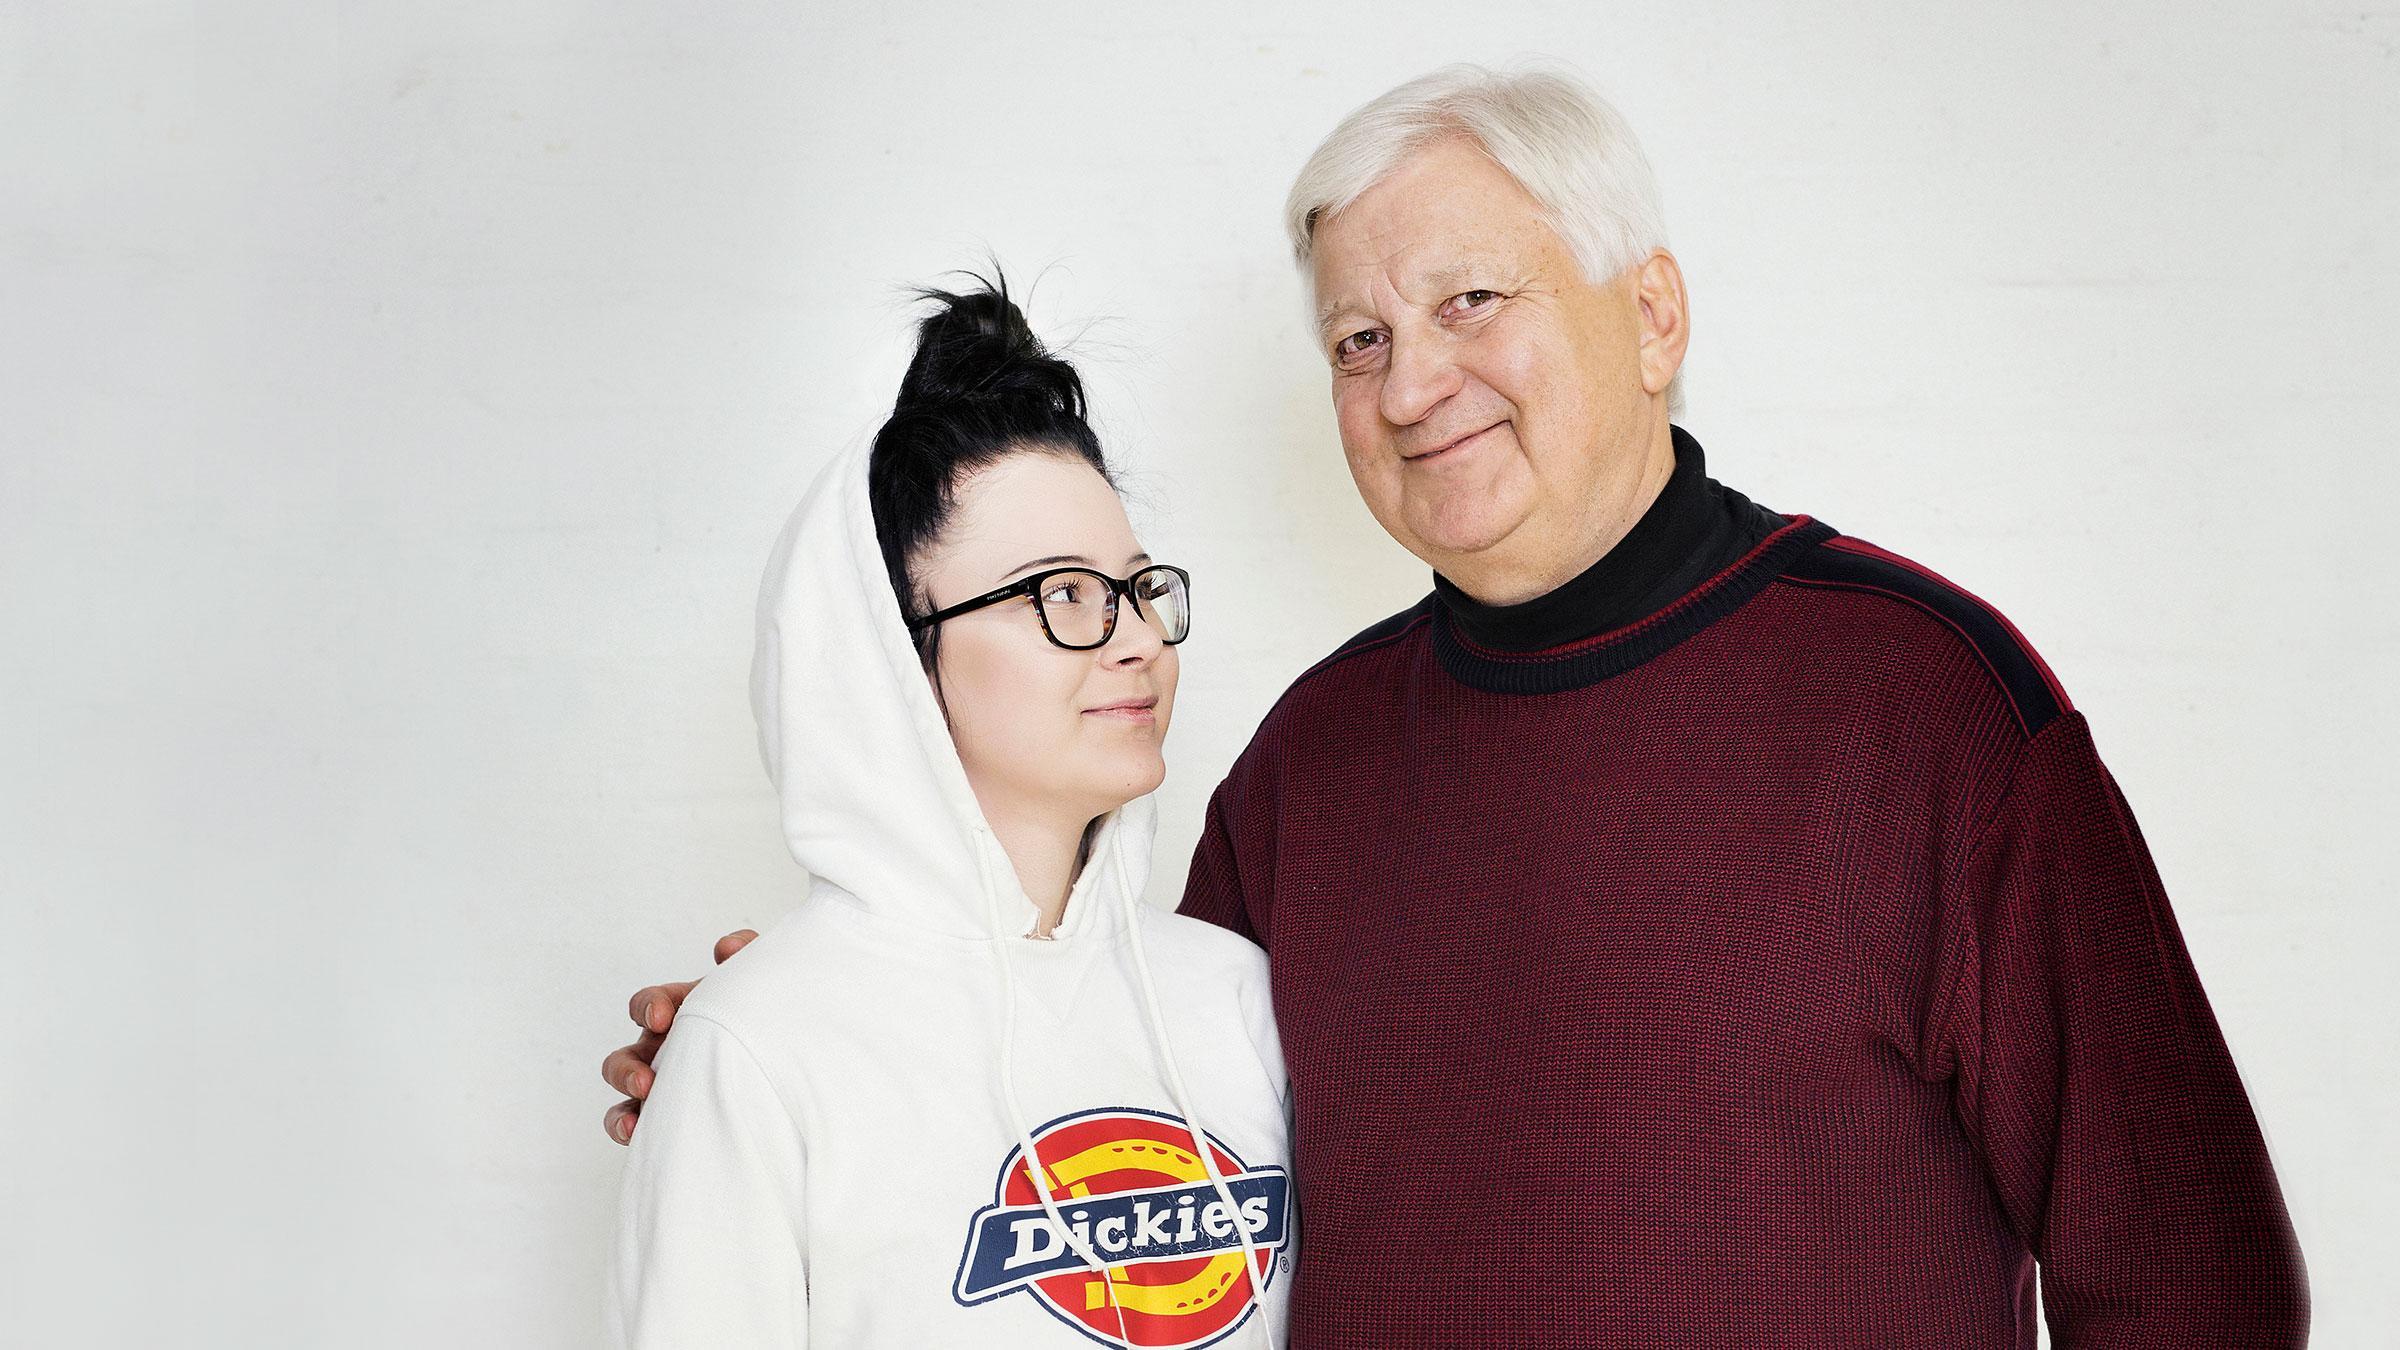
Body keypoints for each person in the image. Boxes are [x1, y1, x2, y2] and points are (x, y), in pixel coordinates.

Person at [605, 67, 2307, 1347]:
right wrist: (814, 1019)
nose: (1413, 383)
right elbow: (1123, 1102)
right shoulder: (1306, 770)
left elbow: (2198, 1282)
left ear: (1652, 316)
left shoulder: (1928, 710)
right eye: (1357, 341)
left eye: (1468, 302)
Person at [607, 278, 1293, 1348]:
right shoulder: (761, 1043)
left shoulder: (1239, 1000)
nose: (1138, 641)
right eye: (1061, 594)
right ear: (891, 655)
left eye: (1136, 588)